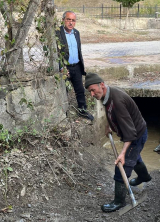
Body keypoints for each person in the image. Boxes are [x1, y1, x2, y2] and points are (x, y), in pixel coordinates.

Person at [84, 73, 152, 213]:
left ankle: (119, 201)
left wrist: (122, 153)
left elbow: (130, 133)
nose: (92, 94)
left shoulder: (118, 101)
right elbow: (109, 112)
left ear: (101, 85)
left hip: (136, 135)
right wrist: (109, 125)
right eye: (89, 91)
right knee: (134, 157)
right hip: (134, 131)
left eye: (93, 90)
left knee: (123, 165)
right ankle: (144, 176)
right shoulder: (106, 94)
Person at [56, 11, 94, 121]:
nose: (71, 22)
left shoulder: (76, 33)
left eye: (73, 20)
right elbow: (55, 53)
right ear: (63, 20)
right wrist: (61, 67)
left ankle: (82, 111)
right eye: (68, 19)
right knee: (64, 91)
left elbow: (78, 51)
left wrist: (82, 64)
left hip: (76, 66)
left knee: (80, 90)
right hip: (65, 68)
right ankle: (63, 114)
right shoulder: (57, 33)